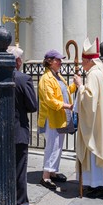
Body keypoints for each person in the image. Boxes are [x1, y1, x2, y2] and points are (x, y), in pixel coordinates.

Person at [73, 38, 103, 199]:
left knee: (96, 149)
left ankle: (98, 184)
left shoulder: (93, 74)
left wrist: (80, 85)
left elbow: (89, 98)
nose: (82, 64)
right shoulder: (102, 71)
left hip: (96, 123)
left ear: (88, 60)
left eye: (83, 61)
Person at [37, 49, 77, 190]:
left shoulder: (58, 76)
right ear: (49, 61)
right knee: (52, 147)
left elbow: (65, 92)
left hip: (60, 117)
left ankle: (53, 172)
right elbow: (50, 101)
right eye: (57, 60)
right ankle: (45, 176)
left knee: (58, 146)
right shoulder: (45, 79)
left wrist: (75, 85)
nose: (60, 62)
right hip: (51, 118)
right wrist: (68, 106)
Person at [7, 46, 38, 205]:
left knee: (5, 169)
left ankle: (5, 201)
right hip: (18, 131)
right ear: (18, 61)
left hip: (0, 132)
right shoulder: (23, 78)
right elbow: (33, 105)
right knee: (19, 169)